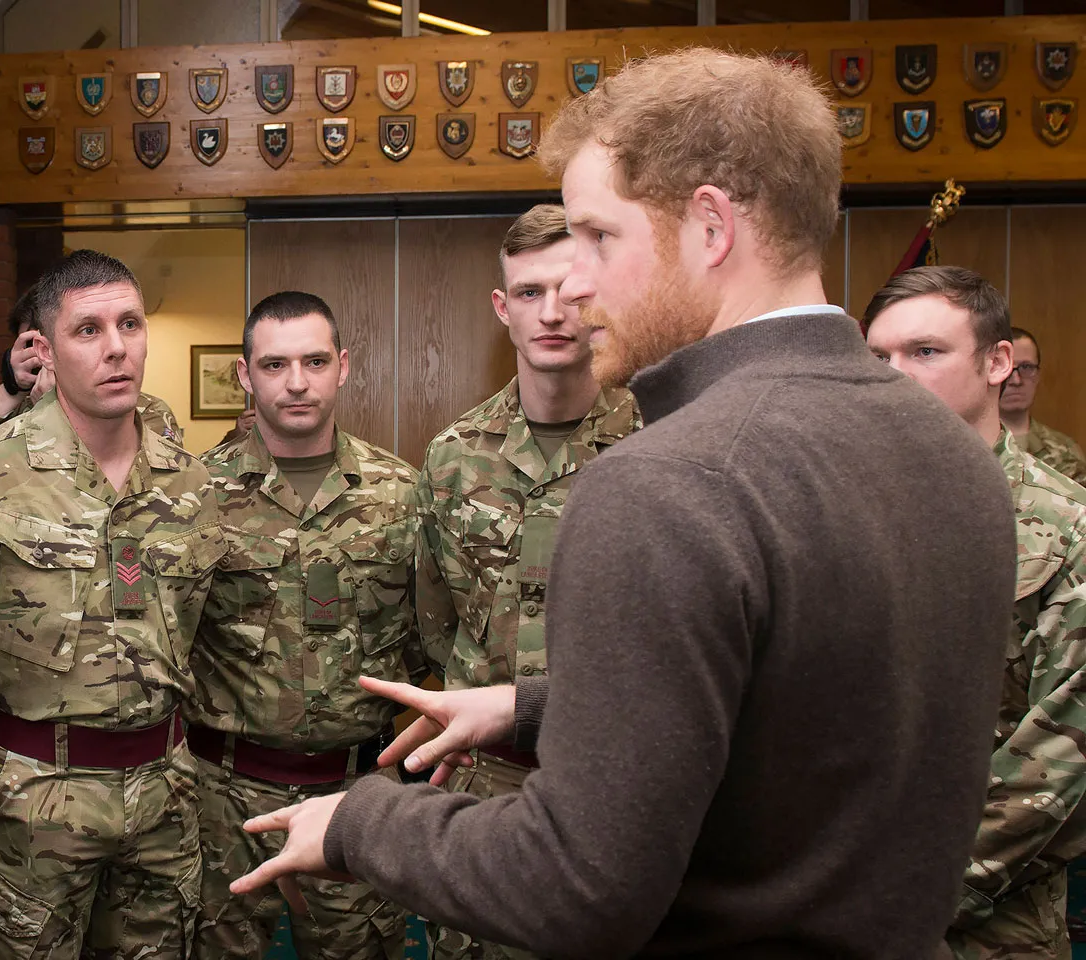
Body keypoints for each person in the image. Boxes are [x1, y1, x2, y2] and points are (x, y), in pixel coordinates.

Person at [233, 48, 1016, 957]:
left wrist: (363, 823)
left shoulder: (670, 480)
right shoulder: (954, 458)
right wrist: (532, 709)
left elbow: (575, 887)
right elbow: (805, 709)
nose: (571, 284)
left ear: (711, 228)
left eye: (599, 238)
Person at [0, 250, 224, 959]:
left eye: (130, 324)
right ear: (47, 346)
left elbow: (194, 630)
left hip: (163, 798)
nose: (115, 348)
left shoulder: (191, 483)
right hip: (30, 799)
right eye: (89, 329)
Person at [418, 204, 639, 960]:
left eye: (574, 294)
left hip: (615, 783)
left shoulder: (659, 444)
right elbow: (438, 625)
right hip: (483, 790)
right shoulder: (451, 458)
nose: (552, 314)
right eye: (530, 293)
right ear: (502, 308)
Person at [190, 291, 422, 960]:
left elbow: (425, 638)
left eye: (315, 362)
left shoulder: (399, 493)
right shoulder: (195, 496)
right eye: (275, 365)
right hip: (223, 799)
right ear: (244, 375)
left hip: (357, 793)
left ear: (344, 366)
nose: (297, 383)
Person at [863, 267, 1086, 960]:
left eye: (925, 352)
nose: (894, 376)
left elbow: (1066, 751)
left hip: (992, 927)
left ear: (998, 363)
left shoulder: (1067, 527)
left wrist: (912, 897)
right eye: (878, 359)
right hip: (831, 909)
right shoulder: (835, 512)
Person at [0, 282, 182, 483]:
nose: (45, 356)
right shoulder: (10, 410)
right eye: (31, 345)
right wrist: (10, 393)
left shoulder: (147, 412)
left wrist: (54, 410)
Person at [1002, 326, 1086, 485]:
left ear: (1038, 374)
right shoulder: (971, 448)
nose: (1016, 380)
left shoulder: (1066, 450)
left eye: (1026, 367)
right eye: (1008, 368)